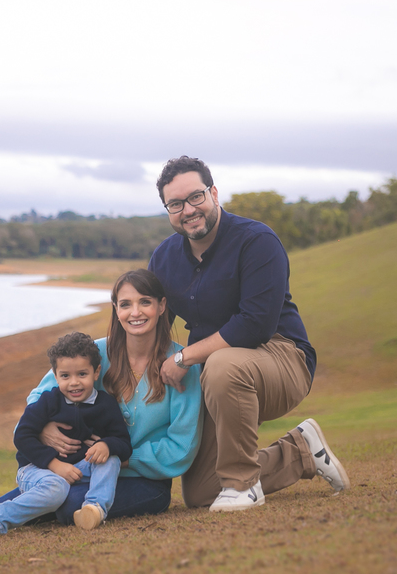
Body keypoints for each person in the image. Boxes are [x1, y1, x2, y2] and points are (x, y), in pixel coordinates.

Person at [149, 155, 349, 512]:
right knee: (202, 492)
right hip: (215, 376)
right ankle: (301, 450)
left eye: (195, 197)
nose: (188, 210)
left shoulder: (257, 240)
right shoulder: (164, 258)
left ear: (213, 193)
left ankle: (243, 485)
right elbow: (152, 326)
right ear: (168, 210)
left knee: (222, 364)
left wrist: (183, 357)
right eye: (175, 204)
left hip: (282, 357)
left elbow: (255, 324)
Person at [0, 269, 202, 526]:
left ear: (161, 306)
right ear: (116, 309)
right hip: (81, 470)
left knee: (70, 504)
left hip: (145, 481)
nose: (135, 312)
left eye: (145, 302)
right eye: (125, 304)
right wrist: (44, 430)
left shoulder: (181, 365)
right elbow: (39, 396)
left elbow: (182, 447)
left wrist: (118, 456)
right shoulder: (94, 353)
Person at [0, 332, 132, 539]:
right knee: (57, 487)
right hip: (37, 468)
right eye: (65, 376)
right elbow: (22, 436)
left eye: (82, 374)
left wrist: (107, 445)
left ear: (96, 372)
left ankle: (94, 509)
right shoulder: (47, 401)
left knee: (111, 459)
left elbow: (123, 443)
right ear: (55, 376)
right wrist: (55, 465)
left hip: (79, 468)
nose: (74, 383)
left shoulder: (106, 404)